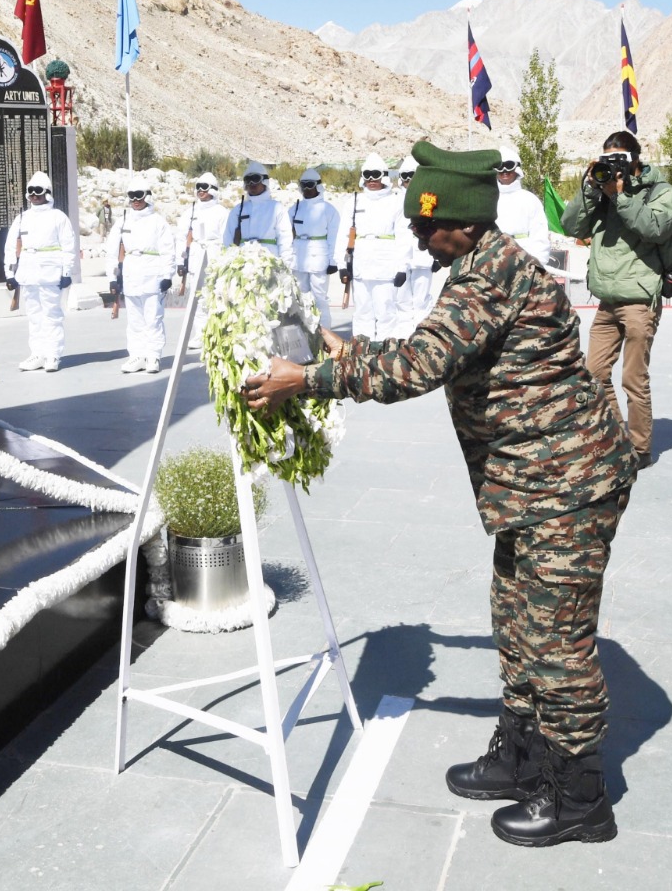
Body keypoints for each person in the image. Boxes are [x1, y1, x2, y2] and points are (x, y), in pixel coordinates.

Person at [240, 140, 637, 849]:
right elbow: (419, 349)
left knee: (559, 646)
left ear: (465, 222)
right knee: (516, 624)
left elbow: (417, 367)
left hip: (567, 486)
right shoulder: (480, 264)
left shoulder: (488, 280)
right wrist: (334, 346)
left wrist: (308, 380)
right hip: (530, 485)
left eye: (428, 225)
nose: (419, 236)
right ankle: (522, 754)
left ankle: (580, 796)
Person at [561, 130, 672, 466]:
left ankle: (640, 449)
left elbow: (655, 228)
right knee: (594, 373)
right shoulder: (601, 193)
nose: (614, 167)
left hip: (640, 300)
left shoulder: (661, 192)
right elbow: (571, 227)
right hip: (607, 300)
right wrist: (590, 188)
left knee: (633, 378)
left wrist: (620, 196)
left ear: (635, 160)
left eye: (620, 160)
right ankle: (616, 437)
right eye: (608, 159)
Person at [4, 171, 76, 372]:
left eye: (38, 191)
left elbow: (68, 246)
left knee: (52, 315)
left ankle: (52, 355)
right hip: (28, 274)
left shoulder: (58, 217)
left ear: (47, 193)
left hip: (51, 274)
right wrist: (10, 274)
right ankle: (38, 353)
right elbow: (11, 247)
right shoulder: (21, 218)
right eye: (31, 191)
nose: (34, 195)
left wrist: (66, 272)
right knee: (34, 316)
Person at [341, 153, 407, 340]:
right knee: (362, 312)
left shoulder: (396, 202)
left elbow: (403, 236)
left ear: (384, 176)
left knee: (386, 312)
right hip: (361, 266)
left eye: (376, 174)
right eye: (367, 174)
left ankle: (385, 354)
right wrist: (341, 265)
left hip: (386, 268)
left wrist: (402, 267)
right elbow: (344, 236)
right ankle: (362, 354)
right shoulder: (353, 202)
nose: (371, 180)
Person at [114, 179, 177, 373]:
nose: (135, 200)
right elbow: (113, 249)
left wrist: (167, 274)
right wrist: (113, 276)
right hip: (131, 273)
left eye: (139, 196)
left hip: (152, 274)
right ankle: (137, 356)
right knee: (134, 320)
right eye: (132, 196)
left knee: (152, 318)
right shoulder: (123, 220)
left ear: (147, 197)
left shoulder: (158, 221)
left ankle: (153, 356)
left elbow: (168, 250)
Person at [390, 152, 438, 335]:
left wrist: (437, 256)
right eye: (405, 176)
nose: (409, 180)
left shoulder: (428, 200)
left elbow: (435, 227)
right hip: (399, 259)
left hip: (423, 257)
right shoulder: (394, 200)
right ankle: (403, 340)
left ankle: (420, 338)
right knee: (401, 302)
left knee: (421, 302)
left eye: (413, 175)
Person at [180, 172, 230, 350]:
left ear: (214, 190)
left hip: (214, 256)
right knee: (197, 298)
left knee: (214, 297)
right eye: (198, 187)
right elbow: (182, 237)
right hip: (195, 257)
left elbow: (227, 239)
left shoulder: (222, 212)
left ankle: (217, 333)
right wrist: (182, 261)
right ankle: (200, 334)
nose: (201, 191)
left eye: (205, 187)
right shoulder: (190, 212)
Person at [288, 167, 341, 329]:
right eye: (304, 185)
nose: (307, 189)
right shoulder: (294, 208)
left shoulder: (329, 210)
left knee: (320, 298)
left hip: (320, 258)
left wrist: (333, 260)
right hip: (299, 258)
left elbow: (334, 237)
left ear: (318, 186)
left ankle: (325, 332)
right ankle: (305, 332)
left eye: (310, 185)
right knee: (301, 297)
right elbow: (286, 235)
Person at [223, 161, 293, 268]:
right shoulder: (238, 210)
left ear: (264, 181)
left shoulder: (277, 208)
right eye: (248, 180)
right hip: (242, 262)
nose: (252, 183)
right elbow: (228, 238)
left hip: (270, 261)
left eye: (255, 179)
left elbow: (285, 239)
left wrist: (286, 264)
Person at [494, 144, 553, 264]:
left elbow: (539, 234)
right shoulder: (489, 198)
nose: (505, 171)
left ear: (516, 169)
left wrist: (538, 263)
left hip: (524, 259)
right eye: (500, 167)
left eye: (509, 166)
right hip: (494, 260)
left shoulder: (530, 199)